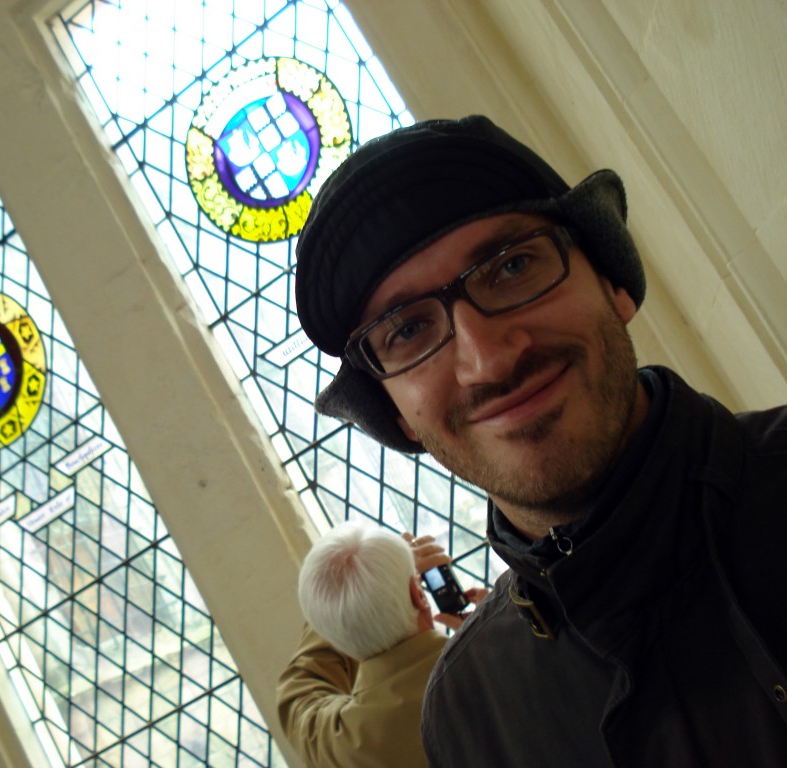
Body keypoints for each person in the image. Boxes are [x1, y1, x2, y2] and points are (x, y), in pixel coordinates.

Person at [292, 115, 787, 767]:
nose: (489, 360)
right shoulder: (471, 717)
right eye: (408, 330)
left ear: (612, 280)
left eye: (512, 267)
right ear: (398, 416)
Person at [276, 522, 482, 767]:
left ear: (328, 632)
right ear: (419, 595)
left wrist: (341, 607)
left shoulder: (345, 744)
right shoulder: (500, 661)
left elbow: (299, 691)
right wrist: (499, 621)